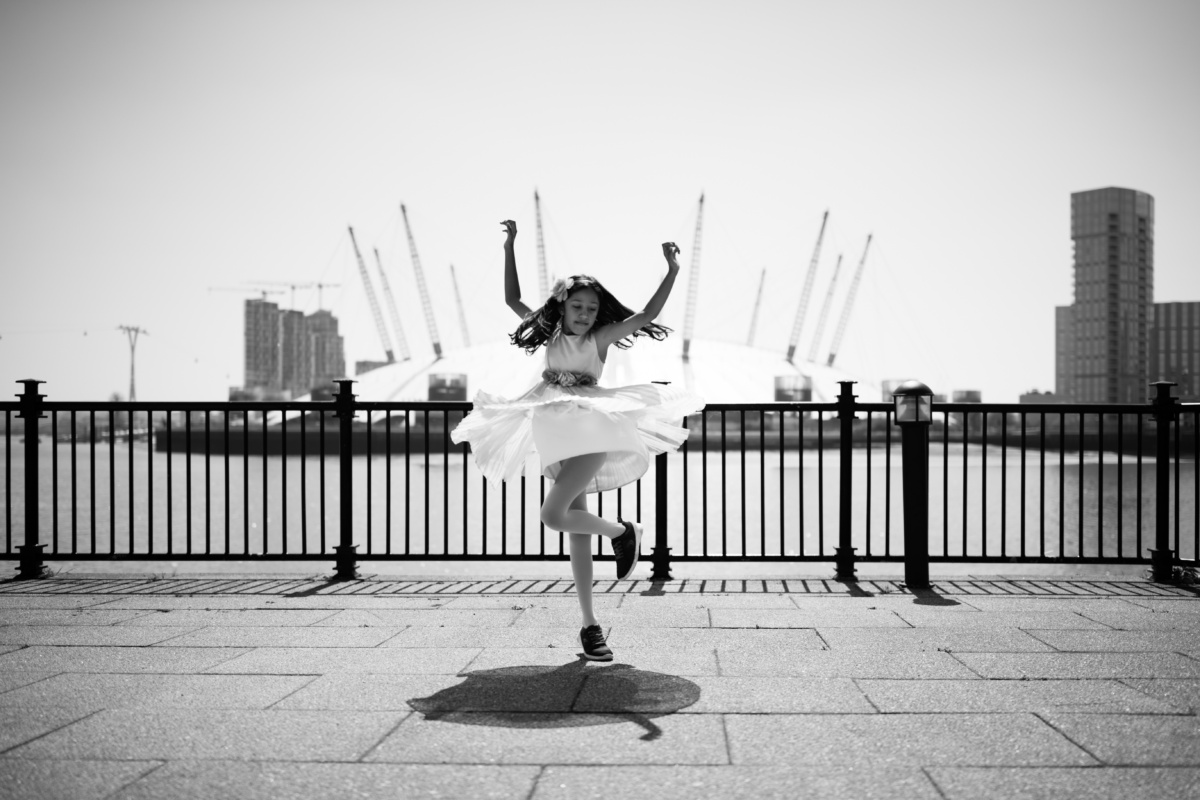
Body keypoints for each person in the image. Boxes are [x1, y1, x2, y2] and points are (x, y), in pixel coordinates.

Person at [451, 219, 703, 661]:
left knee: (553, 515)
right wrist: (511, 246)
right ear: (563, 307)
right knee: (574, 532)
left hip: (590, 426)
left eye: (592, 307)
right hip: (551, 425)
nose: (585, 314)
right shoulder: (549, 334)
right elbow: (511, 298)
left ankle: (623, 531)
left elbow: (645, 317)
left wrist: (672, 271)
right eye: (578, 306)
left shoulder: (601, 339)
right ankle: (590, 626)